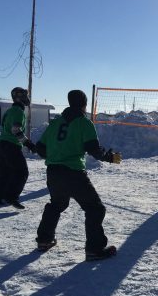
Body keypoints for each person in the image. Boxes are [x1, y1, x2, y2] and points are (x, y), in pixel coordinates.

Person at [35, 90, 122, 261]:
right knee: (95, 208)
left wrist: (56, 155)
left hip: (53, 172)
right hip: (73, 173)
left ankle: (44, 240)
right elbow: (94, 150)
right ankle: (94, 249)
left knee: (57, 204)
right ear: (84, 103)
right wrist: (110, 157)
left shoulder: (55, 123)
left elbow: (40, 148)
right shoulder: (84, 123)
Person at [0, 87, 38, 209]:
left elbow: (6, 128)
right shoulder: (18, 111)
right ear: (20, 98)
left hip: (1, 144)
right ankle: (11, 196)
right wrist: (29, 144)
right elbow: (15, 130)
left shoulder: (9, 111)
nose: (27, 99)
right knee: (21, 172)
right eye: (25, 96)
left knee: (4, 172)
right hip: (11, 145)